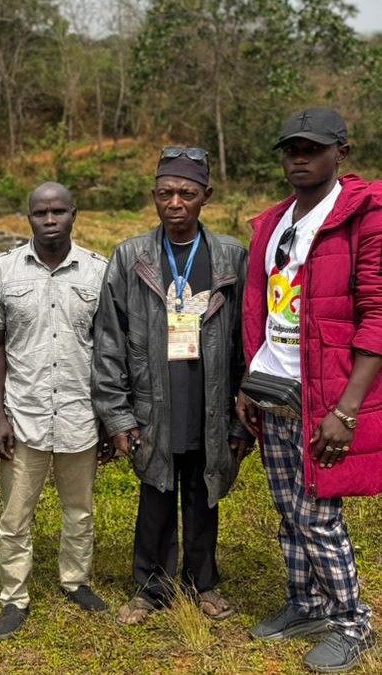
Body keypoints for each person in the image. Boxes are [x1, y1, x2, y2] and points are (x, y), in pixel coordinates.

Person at [237, 108, 382, 673]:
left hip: (326, 395)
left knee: (318, 515)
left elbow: (377, 317)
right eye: (291, 149)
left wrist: (346, 410)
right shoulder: (274, 222)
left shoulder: (364, 218)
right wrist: (249, 383)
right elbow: (261, 309)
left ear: (340, 153)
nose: (299, 158)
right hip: (274, 387)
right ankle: (307, 603)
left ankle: (353, 625)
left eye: (312, 149)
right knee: (287, 508)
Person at [92, 148, 251, 625]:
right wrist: (118, 416)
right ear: (154, 196)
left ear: (207, 196)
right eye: (165, 193)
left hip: (210, 402)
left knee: (203, 493)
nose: (175, 203)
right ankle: (150, 589)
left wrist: (242, 418)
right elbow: (109, 341)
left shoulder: (230, 256)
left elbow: (246, 338)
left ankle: (203, 583)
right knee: (155, 495)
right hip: (152, 403)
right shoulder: (130, 257)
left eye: (186, 193)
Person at [0, 181, 109, 639]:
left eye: (59, 211)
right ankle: (14, 596)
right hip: (24, 415)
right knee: (15, 516)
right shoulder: (2, 272)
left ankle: (76, 580)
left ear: (75, 214)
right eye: (41, 213)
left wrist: (108, 416)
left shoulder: (98, 272)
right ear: (29, 218)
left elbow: (108, 350)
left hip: (80, 413)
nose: (50, 219)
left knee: (79, 510)